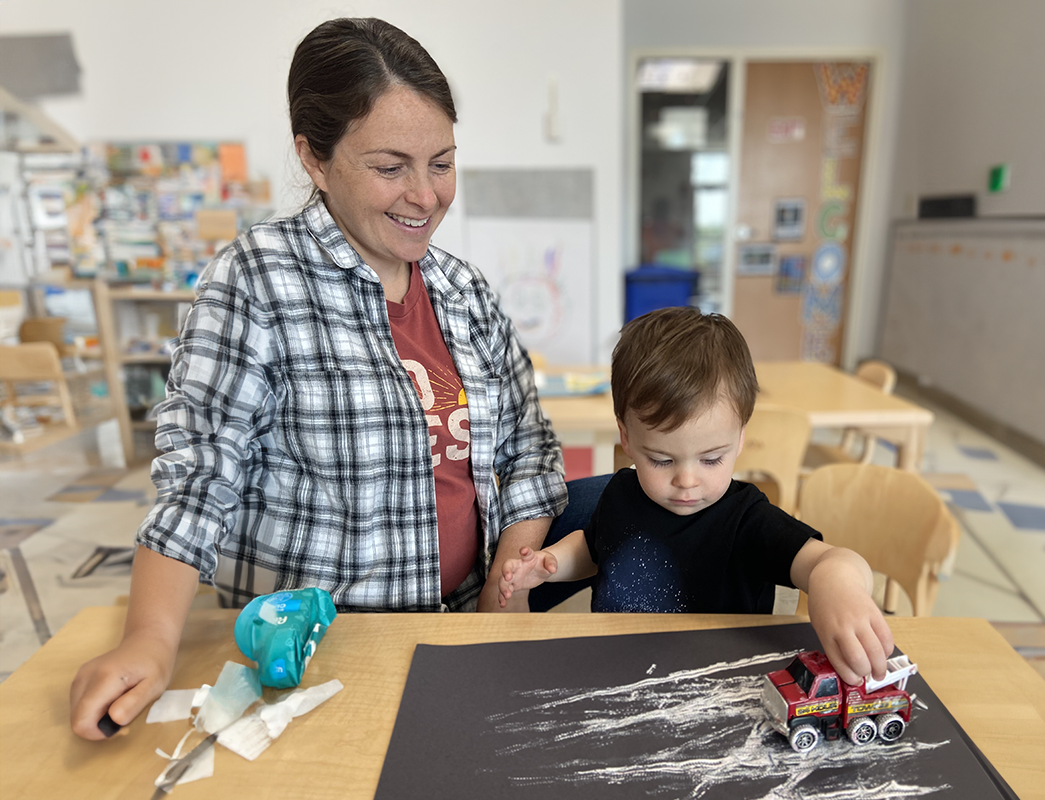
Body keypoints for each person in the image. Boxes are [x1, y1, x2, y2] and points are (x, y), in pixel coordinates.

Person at [70, 18, 569, 740]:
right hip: (311, 661)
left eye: (442, 162)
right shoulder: (255, 281)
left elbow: (528, 452)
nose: (425, 196)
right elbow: (201, 475)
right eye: (390, 166)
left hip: (463, 629)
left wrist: (502, 588)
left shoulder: (465, 292)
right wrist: (148, 637)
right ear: (313, 156)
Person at [498, 307, 895, 685]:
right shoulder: (620, 492)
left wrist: (836, 583)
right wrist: (553, 562)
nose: (686, 480)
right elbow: (594, 547)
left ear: (740, 439)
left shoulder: (746, 518)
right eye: (661, 459)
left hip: (716, 682)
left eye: (711, 459)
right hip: (619, 672)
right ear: (627, 438)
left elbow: (826, 560)